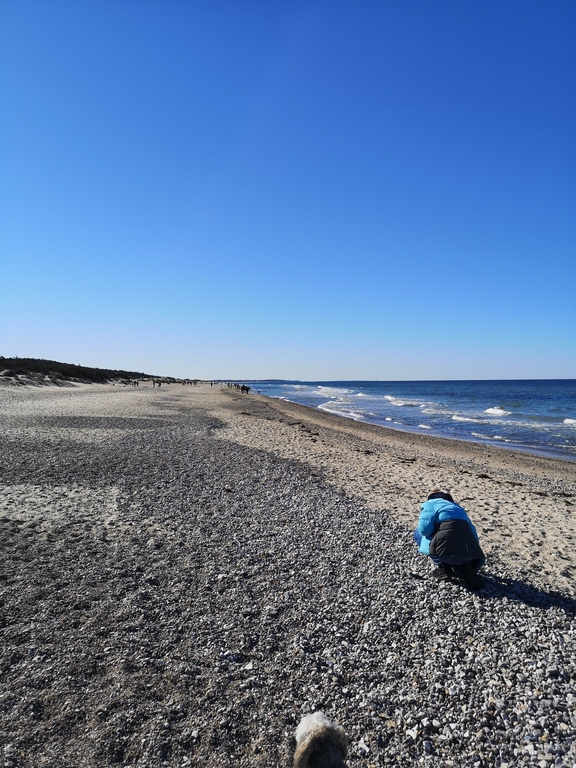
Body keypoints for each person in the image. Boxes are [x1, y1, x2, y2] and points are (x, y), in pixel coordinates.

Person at [414, 489, 485, 590]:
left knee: (418, 533)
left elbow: (424, 530)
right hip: (470, 554)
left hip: (446, 552)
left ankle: (444, 567)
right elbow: (473, 534)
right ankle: (463, 566)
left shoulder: (429, 504)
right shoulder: (458, 507)